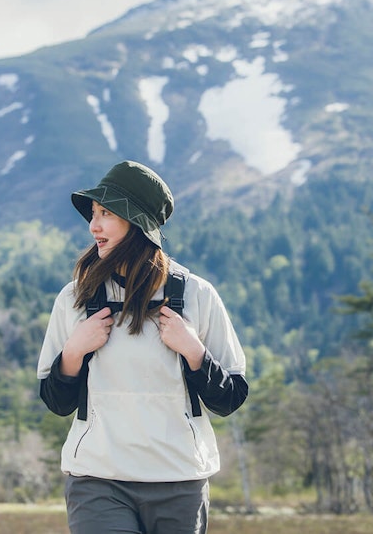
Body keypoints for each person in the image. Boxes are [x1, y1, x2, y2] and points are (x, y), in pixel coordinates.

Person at [37, 160, 249, 534]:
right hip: (97, 478)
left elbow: (230, 398)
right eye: (93, 214)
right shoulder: (74, 299)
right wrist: (73, 352)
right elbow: (56, 401)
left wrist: (193, 351)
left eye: (106, 214)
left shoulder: (196, 295)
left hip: (179, 478)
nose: (93, 226)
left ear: (137, 225)